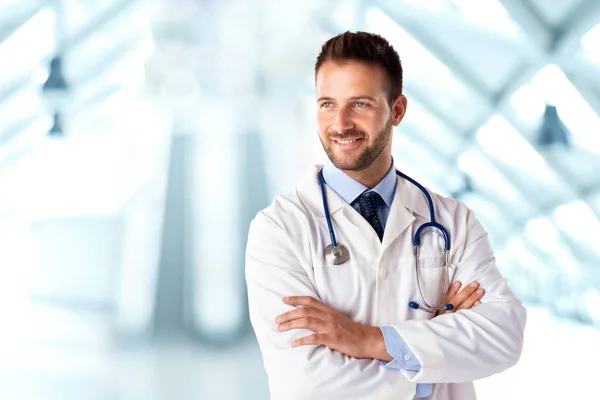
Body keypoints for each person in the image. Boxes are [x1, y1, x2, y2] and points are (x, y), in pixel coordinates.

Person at [245, 31, 526, 400]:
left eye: (359, 104)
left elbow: (503, 336)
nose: (340, 123)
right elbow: (308, 383)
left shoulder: (452, 221)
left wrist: (366, 340)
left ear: (397, 110)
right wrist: (427, 365)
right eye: (327, 104)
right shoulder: (280, 229)